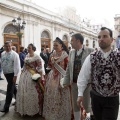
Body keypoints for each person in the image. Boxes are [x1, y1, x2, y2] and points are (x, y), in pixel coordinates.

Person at [77, 27, 120, 120]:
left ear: (112, 40)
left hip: (112, 98)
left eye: (105, 36)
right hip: (96, 98)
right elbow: (83, 76)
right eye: (99, 37)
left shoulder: (118, 56)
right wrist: (80, 93)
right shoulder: (92, 56)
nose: (101, 39)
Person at [63, 33, 94, 120]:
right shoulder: (71, 52)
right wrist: (66, 81)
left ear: (78, 41)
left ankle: (91, 117)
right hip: (74, 84)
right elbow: (69, 68)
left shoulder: (90, 51)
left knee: (87, 105)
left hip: (87, 85)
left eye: (72, 40)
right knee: (75, 105)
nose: (70, 43)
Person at [43, 37, 71, 120]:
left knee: (61, 96)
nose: (54, 46)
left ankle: (61, 114)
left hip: (62, 77)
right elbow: (49, 65)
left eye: (56, 45)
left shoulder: (65, 55)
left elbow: (68, 68)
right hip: (52, 77)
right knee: (51, 95)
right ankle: (52, 112)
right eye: (54, 45)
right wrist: (46, 73)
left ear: (61, 45)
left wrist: (68, 79)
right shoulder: (52, 54)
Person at [16, 43, 44, 116]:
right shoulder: (27, 56)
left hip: (33, 75)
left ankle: (34, 110)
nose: (28, 49)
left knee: (33, 92)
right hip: (25, 75)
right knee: (23, 91)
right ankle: (25, 109)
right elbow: (25, 66)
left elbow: (40, 67)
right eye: (28, 48)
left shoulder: (37, 57)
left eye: (29, 48)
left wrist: (40, 77)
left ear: (33, 49)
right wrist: (22, 73)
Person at [0, 41, 20, 113]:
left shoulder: (15, 54)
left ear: (11, 46)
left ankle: (6, 107)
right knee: (13, 88)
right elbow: (2, 62)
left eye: (9, 46)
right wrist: (4, 72)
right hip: (6, 73)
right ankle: (19, 100)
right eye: (6, 46)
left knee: (9, 90)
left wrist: (15, 76)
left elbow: (17, 66)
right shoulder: (2, 54)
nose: (8, 48)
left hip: (12, 74)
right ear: (4, 47)